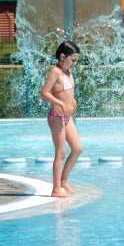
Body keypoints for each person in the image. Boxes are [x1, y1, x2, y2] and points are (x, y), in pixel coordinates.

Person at [41, 41, 83, 198]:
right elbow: (45, 92)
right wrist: (59, 103)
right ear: (62, 56)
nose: (75, 63)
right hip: (56, 117)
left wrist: (72, 102)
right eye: (72, 60)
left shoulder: (68, 71)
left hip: (67, 117)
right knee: (61, 152)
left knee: (77, 148)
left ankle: (64, 180)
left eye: (76, 60)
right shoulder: (56, 72)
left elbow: (68, 91)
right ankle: (56, 189)